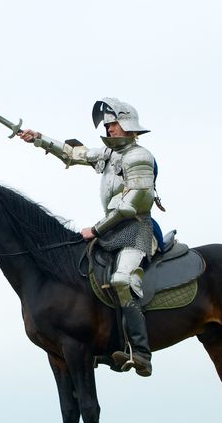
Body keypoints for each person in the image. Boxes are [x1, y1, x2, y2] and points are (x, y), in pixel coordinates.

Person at [17, 98, 157, 376]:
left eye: (113, 124)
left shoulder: (139, 157)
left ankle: (140, 352)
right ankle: (103, 344)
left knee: (121, 280)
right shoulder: (109, 155)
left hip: (135, 229)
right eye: (107, 125)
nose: (109, 129)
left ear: (128, 124)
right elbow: (73, 154)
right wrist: (38, 139)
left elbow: (135, 202)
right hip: (112, 230)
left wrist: (96, 229)